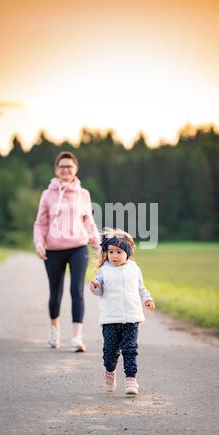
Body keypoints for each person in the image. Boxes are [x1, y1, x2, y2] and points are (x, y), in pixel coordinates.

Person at [34, 151, 100, 352]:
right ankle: (54, 331)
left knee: (77, 290)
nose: (65, 169)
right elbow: (40, 222)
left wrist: (97, 244)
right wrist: (39, 243)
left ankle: (76, 338)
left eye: (69, 166)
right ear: (56, 170)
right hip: (53, 249)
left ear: (76, 169)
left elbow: (88, 221)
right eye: (62, 166)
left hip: (78, 248)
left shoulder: (84, 194)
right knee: (56, 293)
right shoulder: (48, 194)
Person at [89, 228, 155, 395]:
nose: (114, 256)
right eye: (111, 252)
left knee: (130, 349)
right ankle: (110, 372)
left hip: (132, 318)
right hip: (110, 320)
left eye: (119, 252)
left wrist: (147, 299)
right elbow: (98, 291)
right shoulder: (104, 271)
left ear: (127, 253)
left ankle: (131, 380)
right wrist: (95, 286)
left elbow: (142, 289)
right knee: (110, 353)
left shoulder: (134, 269)